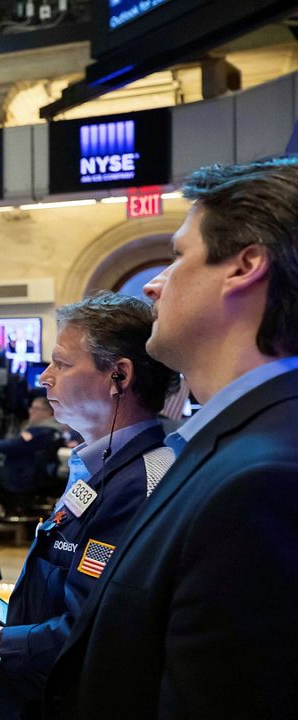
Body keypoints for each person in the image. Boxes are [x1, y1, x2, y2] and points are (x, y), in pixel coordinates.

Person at [44, 158, 298, 719]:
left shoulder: (264, 477)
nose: (155, 284)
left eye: (179, 256)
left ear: (245, 265)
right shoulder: (227, 443)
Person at [0, 293, 177, 719]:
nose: (45, 378)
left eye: (61, 364)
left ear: (118, 375)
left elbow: (95, 630)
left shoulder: (141, 484)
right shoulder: (99, 464)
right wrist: (6, 620)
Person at [0, 395, 61, 500]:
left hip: (19, 478)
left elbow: (16, 445)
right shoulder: (52, 430)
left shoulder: (42, 431)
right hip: (28, 474)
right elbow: (17, 443)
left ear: (48, 412)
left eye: (35, 408)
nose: (30, 411)